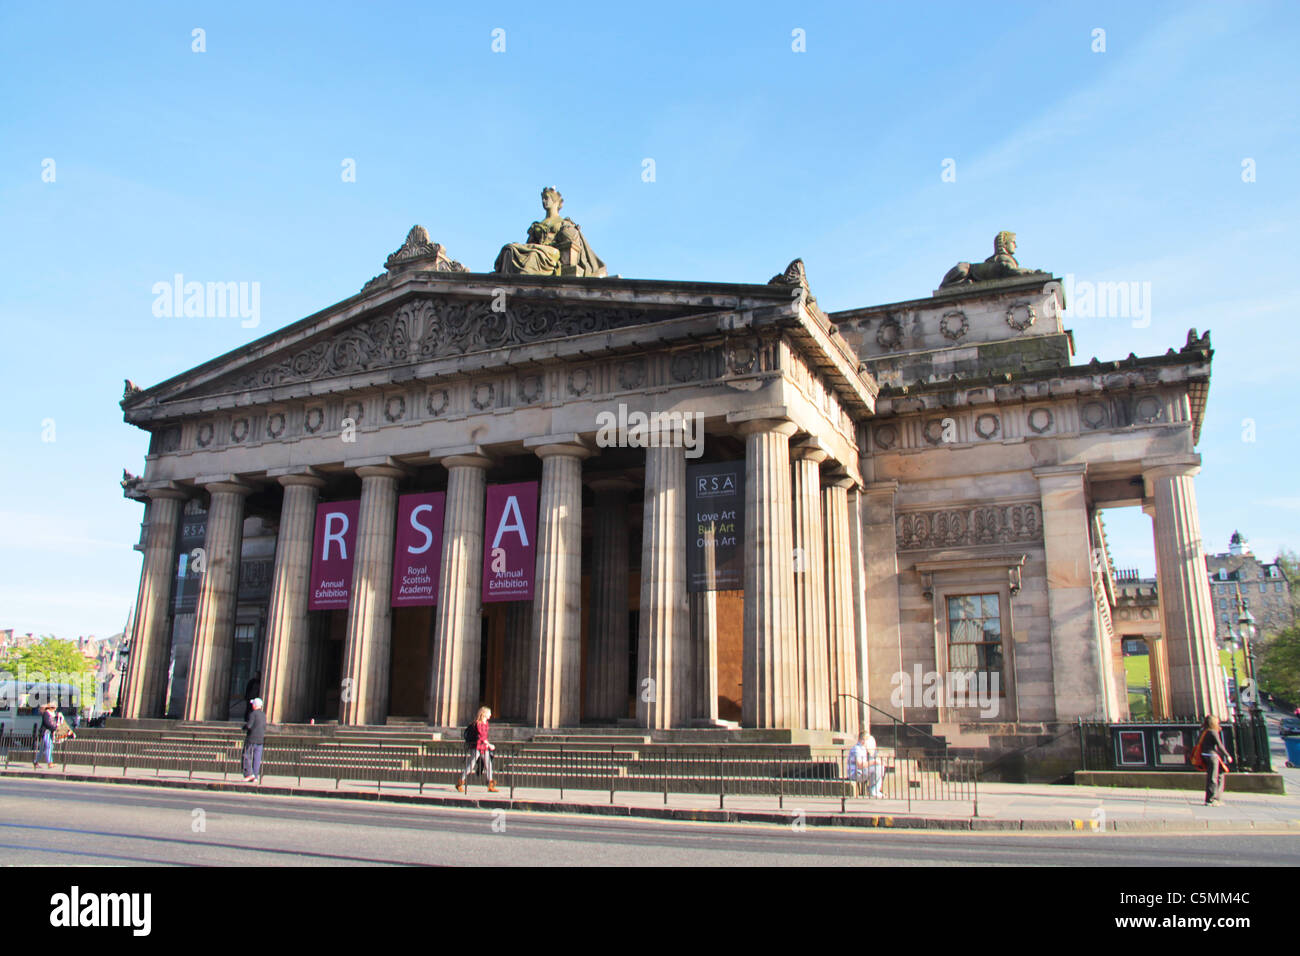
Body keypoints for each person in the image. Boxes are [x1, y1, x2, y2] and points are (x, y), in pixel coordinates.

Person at [456, 706, 498, 794]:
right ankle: (460, 782)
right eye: (489, 713)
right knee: (471, 765)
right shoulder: (478, 723)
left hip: (484, 747)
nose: (490, 714)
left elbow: (484, 736)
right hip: (477, 747)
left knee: (488, 765)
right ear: (484, 714)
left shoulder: (486, 723)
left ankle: (490, 784)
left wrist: (487, 744)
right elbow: (481, 736)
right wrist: (489, 745)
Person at [1196, 715, 1232, 806]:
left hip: (1205, 754)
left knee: (1220, 774)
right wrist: (1227, 755)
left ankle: (1216, 797)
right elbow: (1219, 745)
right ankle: (1211, 799)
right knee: (1213, 777)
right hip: (1212, 756)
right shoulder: (1213, 732)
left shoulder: (1203, 731)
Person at [846, 731, 883, 798]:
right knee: (877, 767)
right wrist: (874, 762)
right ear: (862, 740)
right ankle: (873, 791)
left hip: (860, 772)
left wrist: (871, 753)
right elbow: (860, 765)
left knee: (880, 767)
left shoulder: (863, 749)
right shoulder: (857, 749)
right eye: (867, 740)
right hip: (855, 774)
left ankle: (874, 789)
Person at [242, 697, 266, 784]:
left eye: (252, 704)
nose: (251, 705)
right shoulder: (263, 715)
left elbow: (249, 726)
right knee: (257, 759)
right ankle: (255, 776)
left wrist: (244, 727)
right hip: (260, 739)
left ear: (255, 705)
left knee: (247, 756)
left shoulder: (253, 714)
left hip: (252, 739)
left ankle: (248, 774)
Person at [33, 702, 58, 770]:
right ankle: (50, 763)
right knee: (49, 746)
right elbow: (47, 723)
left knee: (42, 749)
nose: (55, 709)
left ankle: (36, 762)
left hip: (49, 733)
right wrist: (54, 728)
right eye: (54, 707)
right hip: (45, 732)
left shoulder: (52, 714)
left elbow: (54, 722)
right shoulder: (46, 713)